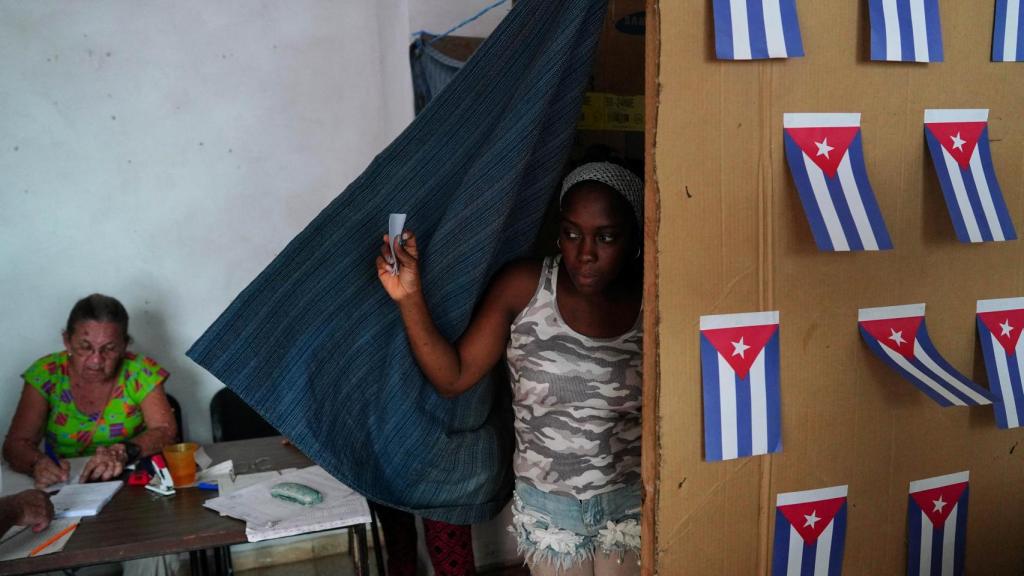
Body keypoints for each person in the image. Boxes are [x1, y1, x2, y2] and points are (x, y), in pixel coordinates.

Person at [376, 162, 643, 576]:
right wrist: (409, 297)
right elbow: (453, 378)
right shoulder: (525, 287)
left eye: (606, 237)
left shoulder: (653, 300)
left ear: (634, 240)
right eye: (572, 233)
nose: (585, 253)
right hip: (550, 513)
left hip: (631, 506)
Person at [3, 294, 178, 487]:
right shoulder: (46, 373)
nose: (96, 360)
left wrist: (123, 452)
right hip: (64, 484)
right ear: (67, 341)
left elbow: (165, 431)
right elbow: (15, 445)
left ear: (124, 346)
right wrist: (38, 464)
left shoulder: (141, 372)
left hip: (132, 482)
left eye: (109, 349)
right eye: (85, 348)